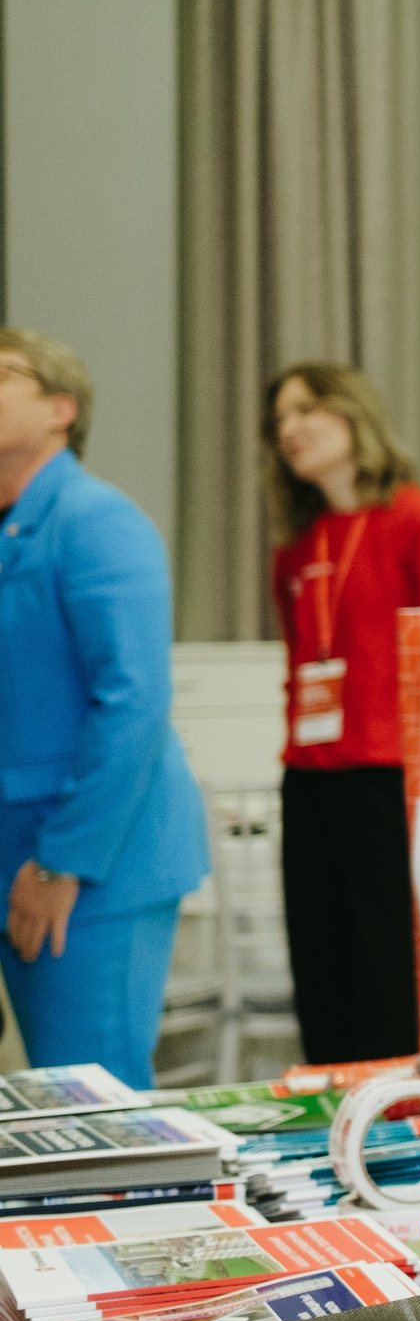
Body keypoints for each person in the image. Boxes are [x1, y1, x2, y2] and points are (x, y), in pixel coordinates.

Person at [0, 329, 207, 1087]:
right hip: (18, 850)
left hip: (94, 865)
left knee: (93, 1096)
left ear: (62, 408)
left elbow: (134, 702)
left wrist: (62, 861)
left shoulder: (95, 521)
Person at [265, 362, 420, 1062]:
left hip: (392, 781)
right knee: (320, 966)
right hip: (310, 779)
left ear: (352, 412)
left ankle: (396, 1130)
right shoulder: (296, 550)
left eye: (305, 411)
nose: (289, 431)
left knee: (387, 970)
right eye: (279, 422)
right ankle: (333, 1127)